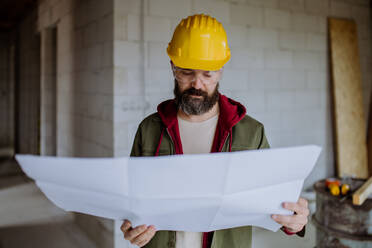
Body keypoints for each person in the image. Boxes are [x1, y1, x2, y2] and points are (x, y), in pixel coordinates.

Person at [120, 14, 309, 248]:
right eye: (187, 72)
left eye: (207, 74)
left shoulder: (252, 133)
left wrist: (295, 222)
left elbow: (275, 204)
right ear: (173, 68)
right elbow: (131, 201)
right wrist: (132, 226)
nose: (197, 84)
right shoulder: (149, 129)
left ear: (220, 72)